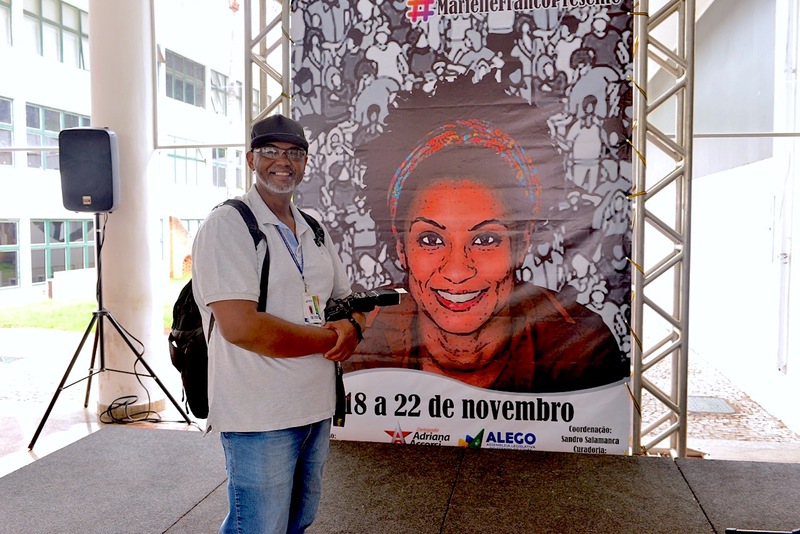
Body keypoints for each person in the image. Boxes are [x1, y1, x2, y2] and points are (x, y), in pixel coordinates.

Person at [344, 78, 629, 393]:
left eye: (485, 240)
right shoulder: (360, 336)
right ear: (401, 246)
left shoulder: (577, 345)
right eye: (431, 240)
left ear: (521, 243)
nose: (456, 272)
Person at [191, 114, 365, 534]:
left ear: (305, 163)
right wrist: (330, 338)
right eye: (270, 151)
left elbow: (344, 300)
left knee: (298, 521)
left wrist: (354, 327)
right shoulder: (229, 225)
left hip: (315, 406)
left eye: (295, 153)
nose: (283, 161)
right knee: (259, 527)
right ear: (251, 159)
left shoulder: (312, 228)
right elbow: (242, 327)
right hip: (259, 414)